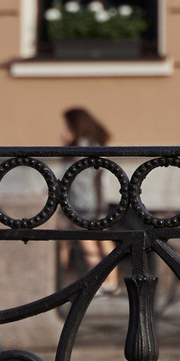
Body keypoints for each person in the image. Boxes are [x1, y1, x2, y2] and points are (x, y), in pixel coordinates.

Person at [60, 107, 121, 291]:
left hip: (82, 200)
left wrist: (67, 149)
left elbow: (77, 176)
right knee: (102, 238)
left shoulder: (81, 144)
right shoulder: (96, 142)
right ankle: (111, 282)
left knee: (87, 242)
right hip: (97, 198)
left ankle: (99, 284)